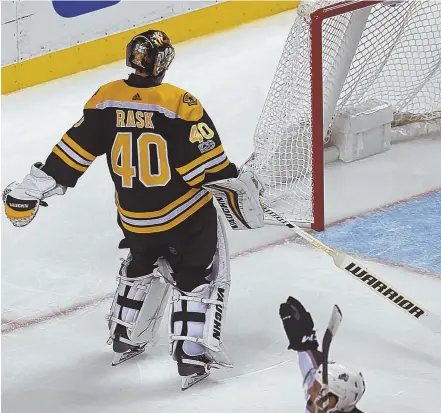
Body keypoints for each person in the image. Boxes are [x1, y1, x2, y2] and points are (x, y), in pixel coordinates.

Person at [2, 29, 264, 390]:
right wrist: (244, 186)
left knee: (142, 262)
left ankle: (126, 334)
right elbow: (209, 172)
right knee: (200, 272)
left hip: (134, 218)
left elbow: (71, 154)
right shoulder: (179, 103)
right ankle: (191, 352)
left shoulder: (105, 98)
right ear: (162, 62)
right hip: (183, 213)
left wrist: (29, 190)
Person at [279, 297, 366, 413]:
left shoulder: (321, 402)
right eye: (315, 385)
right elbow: (313, 370)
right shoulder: (322, 402)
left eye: (315, 388)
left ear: (332, 401)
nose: (310, 391)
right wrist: (305, 343)